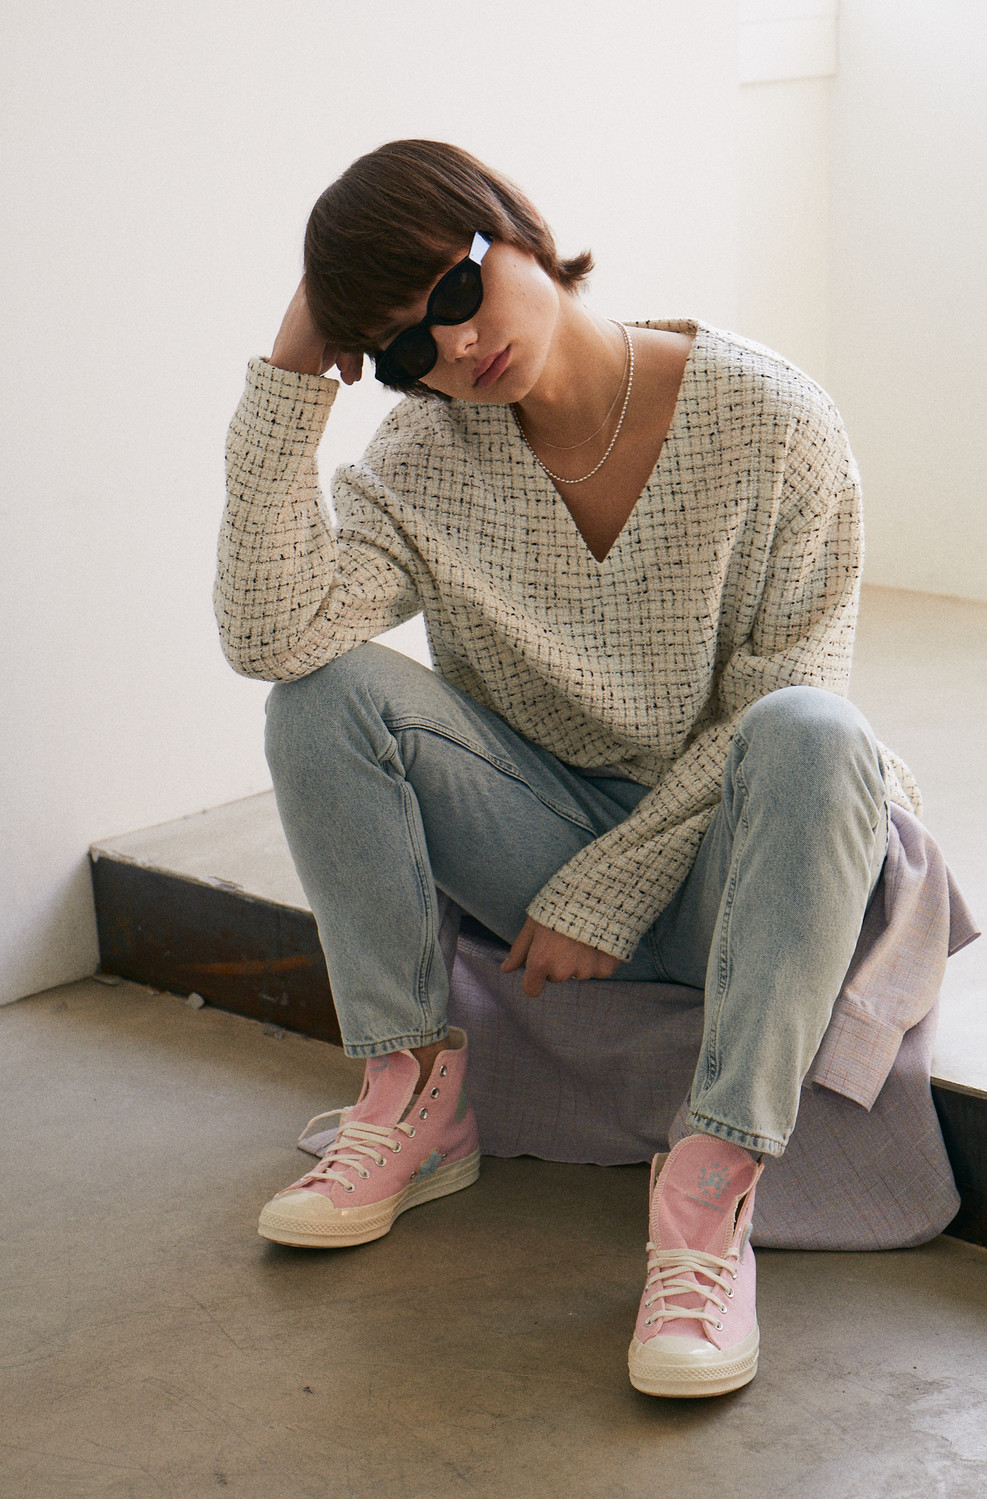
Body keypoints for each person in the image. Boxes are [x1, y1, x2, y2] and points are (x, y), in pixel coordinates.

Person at [216, 139, 920, 1399]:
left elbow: (781, 708)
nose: (453, 346)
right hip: (542, 836)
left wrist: (609, 887)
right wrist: (288, 381)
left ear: (515, 228)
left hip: (748, 855)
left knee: (815, 729)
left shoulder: (772, 420)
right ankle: (413, 1093)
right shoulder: (424, 462)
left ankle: (708, 1192)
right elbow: (274, 633)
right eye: (403, 349)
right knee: (318, 693)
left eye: (454, 290)